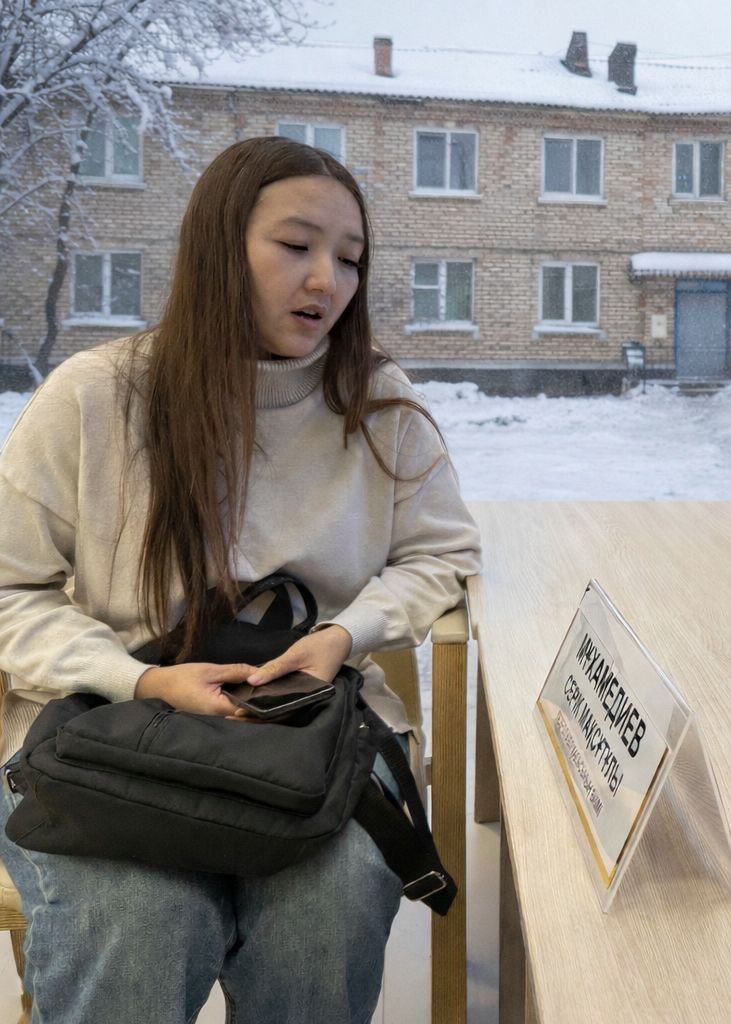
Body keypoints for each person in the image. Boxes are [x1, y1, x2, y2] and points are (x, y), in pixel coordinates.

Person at [0, 136, 480, 1020]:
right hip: (105, 728)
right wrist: (138, 677)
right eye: (296, 247)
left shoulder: (379, 405)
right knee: (141, 919)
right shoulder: (95, 396)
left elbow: (441, 556)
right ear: (219, 246)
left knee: (323, 913)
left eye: (349, 258)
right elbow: (9, 589)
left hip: (306, 731)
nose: (326, 281)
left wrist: (343, 636)